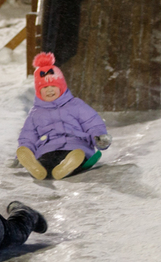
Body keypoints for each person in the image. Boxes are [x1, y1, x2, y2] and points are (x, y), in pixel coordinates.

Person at [17, 52, 112, 180]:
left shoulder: (76, 105)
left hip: (76, 146)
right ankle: (37, 167)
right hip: (48, 149)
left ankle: (67, 165)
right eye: (45, 88)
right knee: (45, 161)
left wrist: (99, 136)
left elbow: (92, 123)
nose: (49, 90)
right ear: (38, 92)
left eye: (53, 86)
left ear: (62, 87)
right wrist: (26, 148)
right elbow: (28, 135)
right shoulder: (36, 113)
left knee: (78, 156)